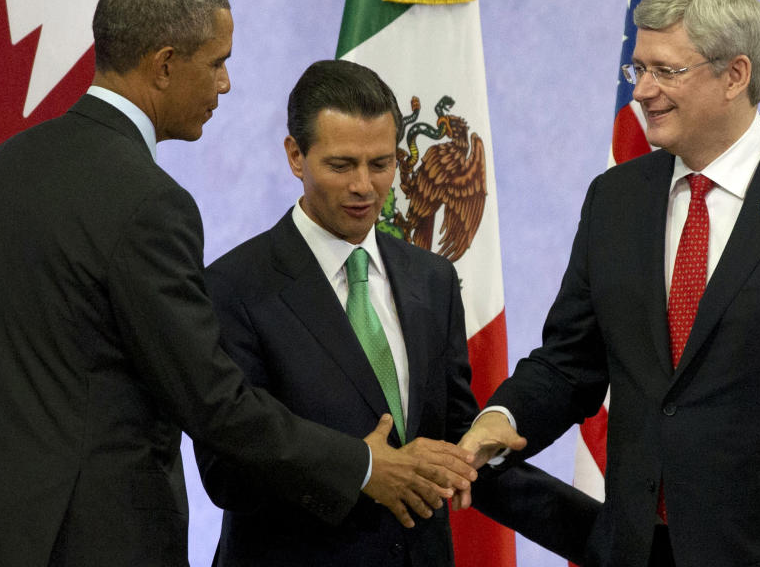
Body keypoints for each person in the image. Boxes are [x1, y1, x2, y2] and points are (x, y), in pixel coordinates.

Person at [0, 0, 477, 567]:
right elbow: (212, 401)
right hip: (97, 542)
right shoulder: (149, 203)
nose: (224, 84)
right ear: (165, 65)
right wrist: (364, 464)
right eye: (217, 62)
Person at [459, 0, 760, 567]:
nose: (642, 92)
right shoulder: (614, 200)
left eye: (665, 71)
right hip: (638, 547)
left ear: (735, 75)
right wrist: (502, 416)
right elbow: (572, 360)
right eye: (637, 69)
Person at [194, 59, 599, 566]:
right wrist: (360, 469)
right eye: (341, 165)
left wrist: (610, 539)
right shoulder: (233, 287)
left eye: (382, 164)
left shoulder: (431, 277)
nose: (364, 186)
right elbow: (226, 470)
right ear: (296, 156)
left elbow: (454, 446)